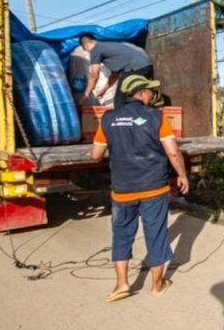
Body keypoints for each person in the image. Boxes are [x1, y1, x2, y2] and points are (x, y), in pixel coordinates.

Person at [89, 74, 190, 303]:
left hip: (122, 190)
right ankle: (157, 286)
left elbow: (95, 156)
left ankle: (122, 284)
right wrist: (182, 175)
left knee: (122, 234)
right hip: (154, 188)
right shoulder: (157, 117)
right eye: (150, 91)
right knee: (155, 234)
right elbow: (173, 152)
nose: (152, 95)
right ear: (142, 93)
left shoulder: (108, 119)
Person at [78, 34, 153, 108]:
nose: (88, 52)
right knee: (135, 93)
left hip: (135, 67)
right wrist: (103, 91)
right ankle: (145, 109)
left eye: (86, 50)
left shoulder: (95, 49)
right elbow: (115, 75)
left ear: (86, 45)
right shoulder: (107, 48)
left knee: (119, 98)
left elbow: (94, 75)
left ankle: (120, 117)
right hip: (146, 65)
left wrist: (86, 94)